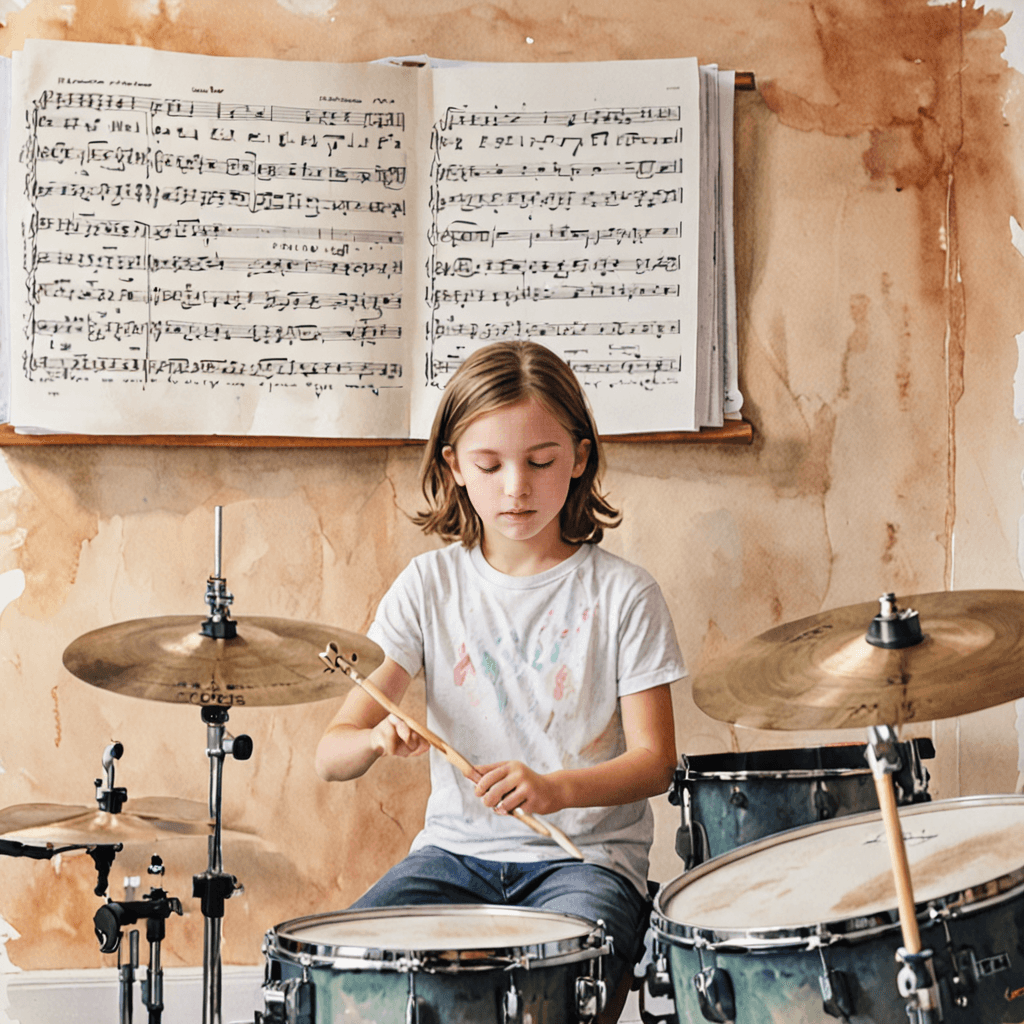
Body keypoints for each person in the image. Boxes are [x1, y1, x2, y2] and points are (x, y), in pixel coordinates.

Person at [315, 340, 685, 1023]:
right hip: (454, 857)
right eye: (490, 464)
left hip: (586, 864)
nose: (516, 487)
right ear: (454, 466)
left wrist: (554, 788)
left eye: (540, 462)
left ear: (578, 457)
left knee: (567, 977)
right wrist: (374, 741)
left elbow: (655, 763)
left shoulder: (625, 594)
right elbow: (330, 752)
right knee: (345, 967)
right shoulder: (429, 586)